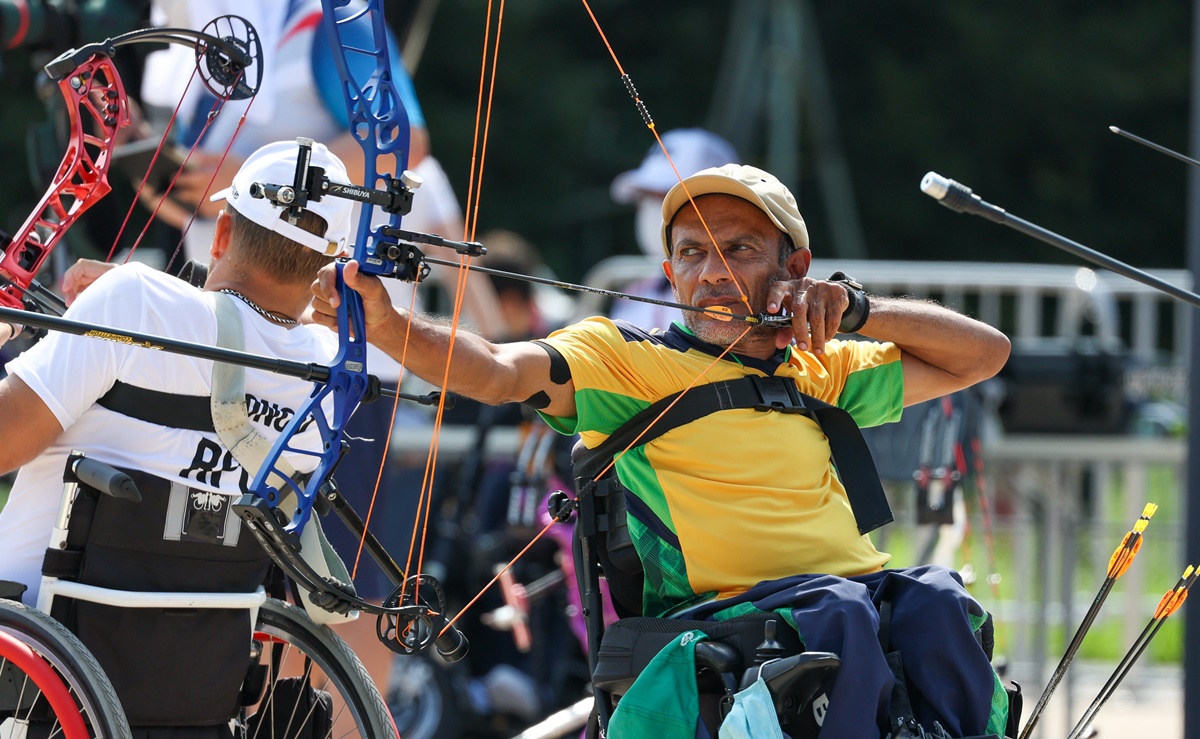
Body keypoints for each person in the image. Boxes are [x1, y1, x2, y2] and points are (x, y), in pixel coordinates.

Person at [311, 163, 1013, 737]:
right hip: (737, 618)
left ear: (793, 266)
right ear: (670, 271)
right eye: (691, 251)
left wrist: (860, 310)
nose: (711, 271)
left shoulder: (818, 367)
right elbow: (496, 367)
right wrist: (389, 324)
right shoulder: (622, 360)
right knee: (840, 614)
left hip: (848, 601)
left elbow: (983, 355)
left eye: (738, 249)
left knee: (939, 602)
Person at [0, 138, 351, 603]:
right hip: (198, 665)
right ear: (328, 270)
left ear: (221, 235)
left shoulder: (133, 301)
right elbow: (244, 328)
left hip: (31, 648)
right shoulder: (330, 372)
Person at [608, 128, 737, 330]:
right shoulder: (633, 295)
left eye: (669, 196)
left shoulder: (743, 294)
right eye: (647, 196)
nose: (655, 209)